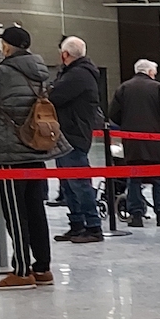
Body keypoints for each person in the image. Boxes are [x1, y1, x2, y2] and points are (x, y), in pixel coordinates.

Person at [0, 26, 72, 291]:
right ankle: (43, 268)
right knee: (36, 210)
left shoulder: (2, 72)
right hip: (35, 146)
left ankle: (22, 271)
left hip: (10, 150)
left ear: (6, 46)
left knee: (15, 213)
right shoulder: (39, 69)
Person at [49, 36, 103, 244]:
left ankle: (93, 226)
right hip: (67, 133)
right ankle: (77, 224)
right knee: (69, 185)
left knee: (79, 183)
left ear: (65, 54)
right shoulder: (77, 73)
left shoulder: (78, 75)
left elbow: (54, 96)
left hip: (73, 134)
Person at [109, 59, 160, 227]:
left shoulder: (123, 88)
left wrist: (126, 124)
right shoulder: (159, 88)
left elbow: (113, 114)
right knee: (159, 177)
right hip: (157, 141)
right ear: (150, 72)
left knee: (135, 177)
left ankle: (136, 215)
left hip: (132, 141)